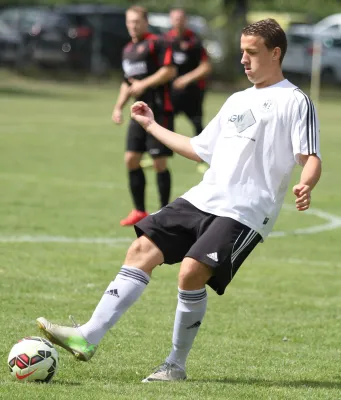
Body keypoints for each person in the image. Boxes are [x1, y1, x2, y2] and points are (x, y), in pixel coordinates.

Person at [37, 19, 321, 382]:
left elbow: (310, 156)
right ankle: (87, 336)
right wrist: (151, 126)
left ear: (275, 53)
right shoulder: (237, 100)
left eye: (252, 53)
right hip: (204, 198)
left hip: (246, 211)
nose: (244, 60)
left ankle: (175, 365)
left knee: (191, 272)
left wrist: (307, 183)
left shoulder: (296, 101)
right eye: (241, 53)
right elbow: (198, 149)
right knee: (141, 249)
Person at [111, 6, 177, 226]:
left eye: (136, 22)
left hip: (158, 110)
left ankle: (164, 212)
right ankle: (139, 210)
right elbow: (127, 82)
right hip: (138, 113)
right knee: (131, 159)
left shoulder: (157, 43)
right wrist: (118, 106)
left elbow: (169, 70)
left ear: (146, 22)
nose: (133, 26)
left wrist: (144, 84)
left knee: (159, 162)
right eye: (129, 22)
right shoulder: (127, 49)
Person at [165, 8, 212, 174]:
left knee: (197, 124)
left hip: (193, 92)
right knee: (165, 120)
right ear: (171, 20)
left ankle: (203, 159)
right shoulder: (166, 39)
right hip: (171, 92)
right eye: (175, 18)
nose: (178, 21)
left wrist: (186, 79)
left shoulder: (194, 40)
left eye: (181, 18)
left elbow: (206, 67)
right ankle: (159, 155)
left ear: (185, 20)